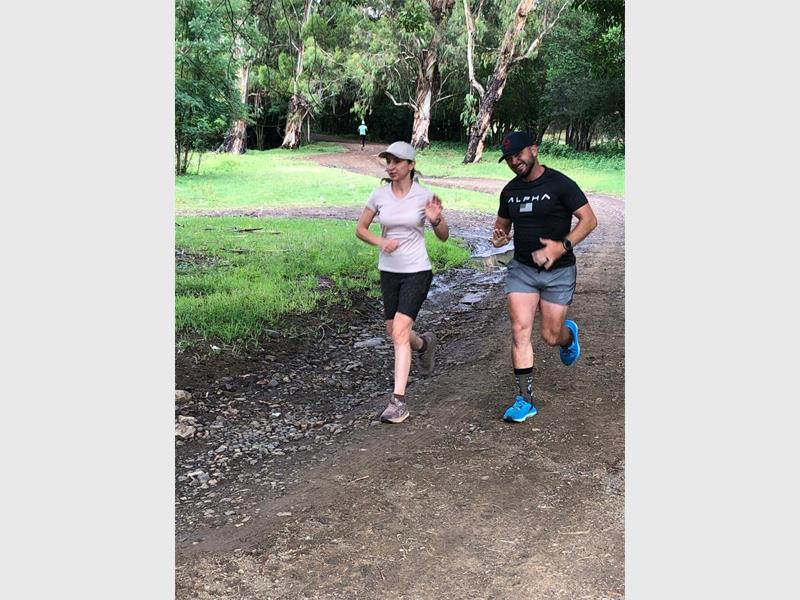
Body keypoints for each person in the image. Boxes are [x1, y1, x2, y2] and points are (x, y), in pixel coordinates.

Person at [490, 131, 598, 423]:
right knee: (519, 331)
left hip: (559, 272)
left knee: (550, 335)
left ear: (534, 150)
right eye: (509, 158)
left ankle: (567, 336)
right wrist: (499, 239)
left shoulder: (560, 184)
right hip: (522, 270)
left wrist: (560, 247)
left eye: (519, 154)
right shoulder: (510, 191)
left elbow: (589, 220)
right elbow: (500, 228)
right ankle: (525, 400)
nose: (515, 161)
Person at [355, 141, 449, 423]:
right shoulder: (379, 195)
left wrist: (436, 220)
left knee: (398, 331)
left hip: (417, 270)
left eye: (397, 161)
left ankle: (398, 403)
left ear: (411, 165)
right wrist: (381, 241)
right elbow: (360, 229)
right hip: (389, 271)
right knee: (393, 331)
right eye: (388, 161)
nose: (391, 166)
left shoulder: (424, 196)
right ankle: (423, 345)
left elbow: (443, 235)